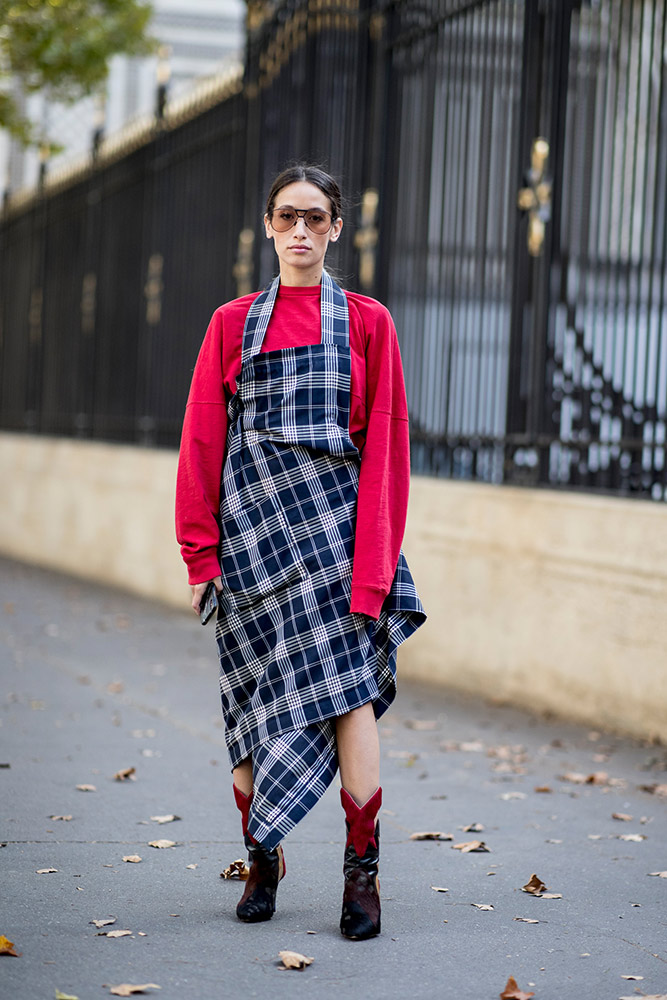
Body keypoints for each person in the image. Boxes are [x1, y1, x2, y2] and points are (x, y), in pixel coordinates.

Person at [175, 164, 426, 940]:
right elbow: (201, 444)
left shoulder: (367, 322)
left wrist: (377, 567)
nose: (301, 232)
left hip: (336, 543)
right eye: (288, 217)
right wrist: (200, 555)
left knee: (350, 697)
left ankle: (361, 875)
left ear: (336, 228)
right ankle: (263, 856)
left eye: (316, 219)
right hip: (251, 545)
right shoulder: (229, 323)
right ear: (268, 225)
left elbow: (386, 446)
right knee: (251, 709)